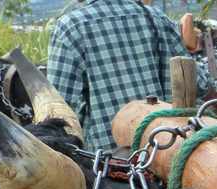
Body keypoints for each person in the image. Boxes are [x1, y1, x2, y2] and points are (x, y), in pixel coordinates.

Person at [48, 0, 193, 150]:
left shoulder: (70, 27)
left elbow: (57, 109)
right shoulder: (157, 18)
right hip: (165, 145)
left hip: (109, 159)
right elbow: (199, 83)